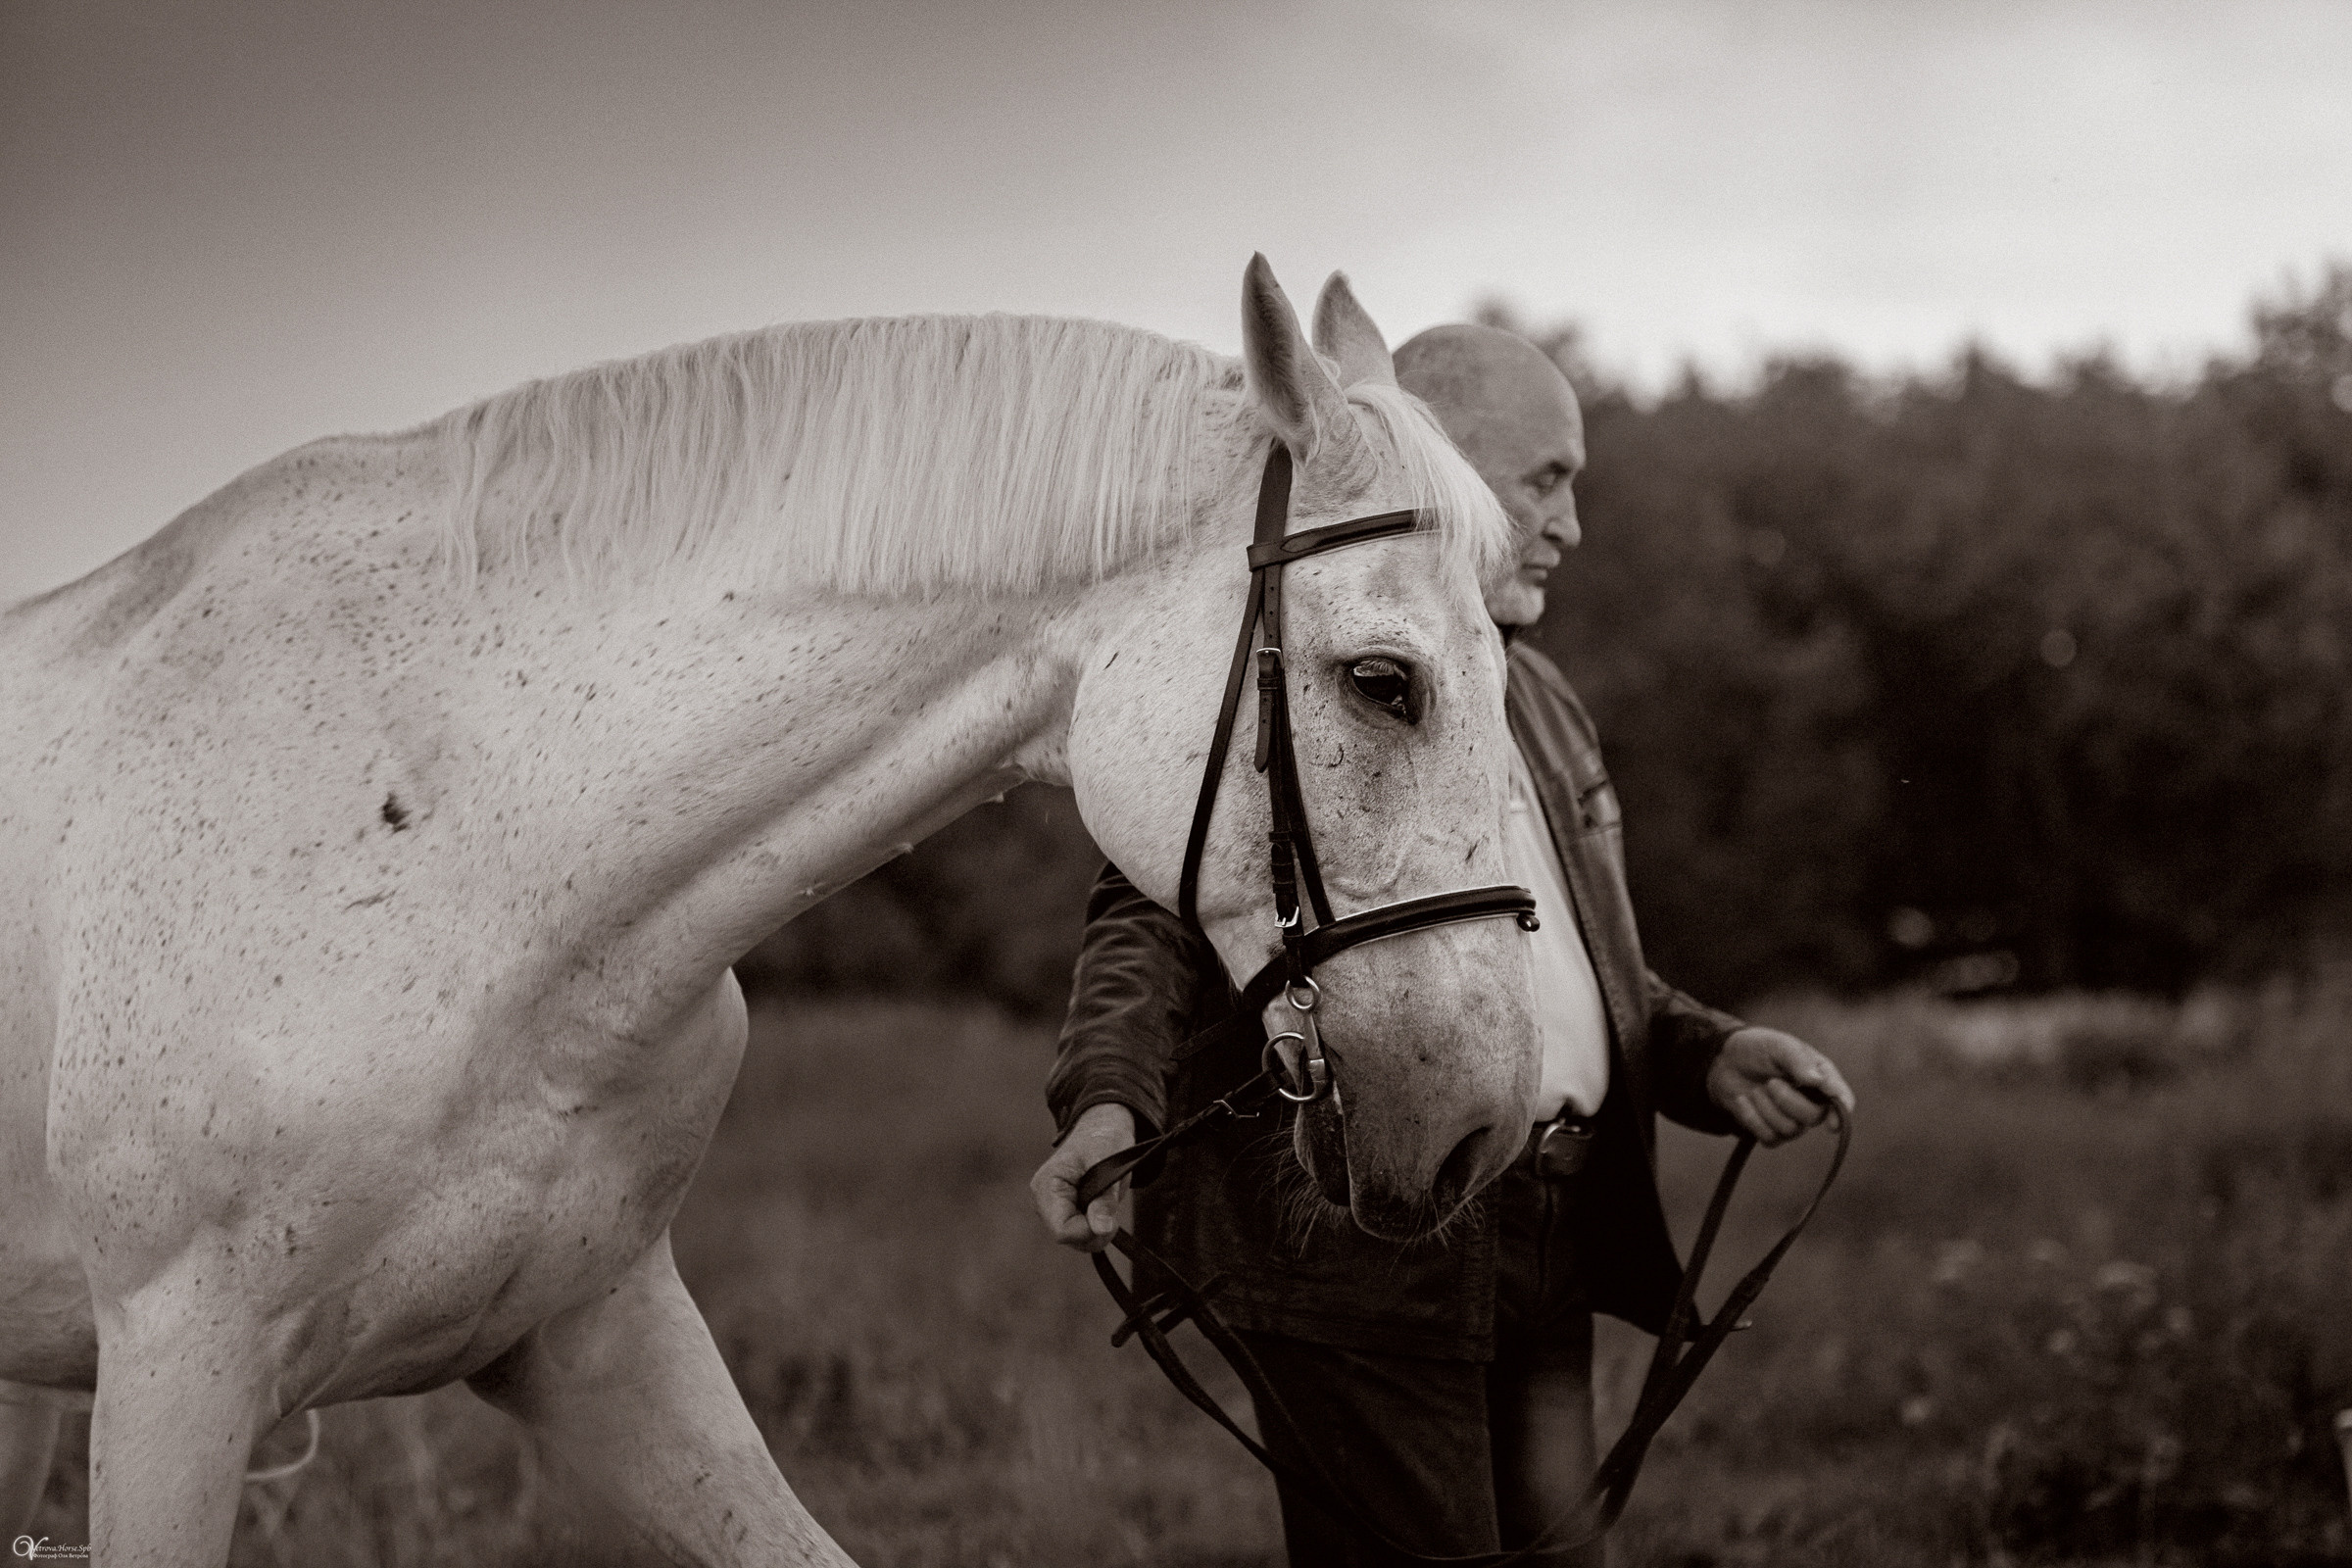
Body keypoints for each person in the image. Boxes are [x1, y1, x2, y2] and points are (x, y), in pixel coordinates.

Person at [1031, 322, 1854, 1566]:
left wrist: (1703, 1052)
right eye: (1546, 481)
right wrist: (1106, 1098)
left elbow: (1563, 958)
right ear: (1449, 464)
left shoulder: (1545, 700)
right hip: (1363, 1237)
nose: (1573, 523)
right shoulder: (1303, 683)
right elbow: (1147, 909)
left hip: (1549, 1230)